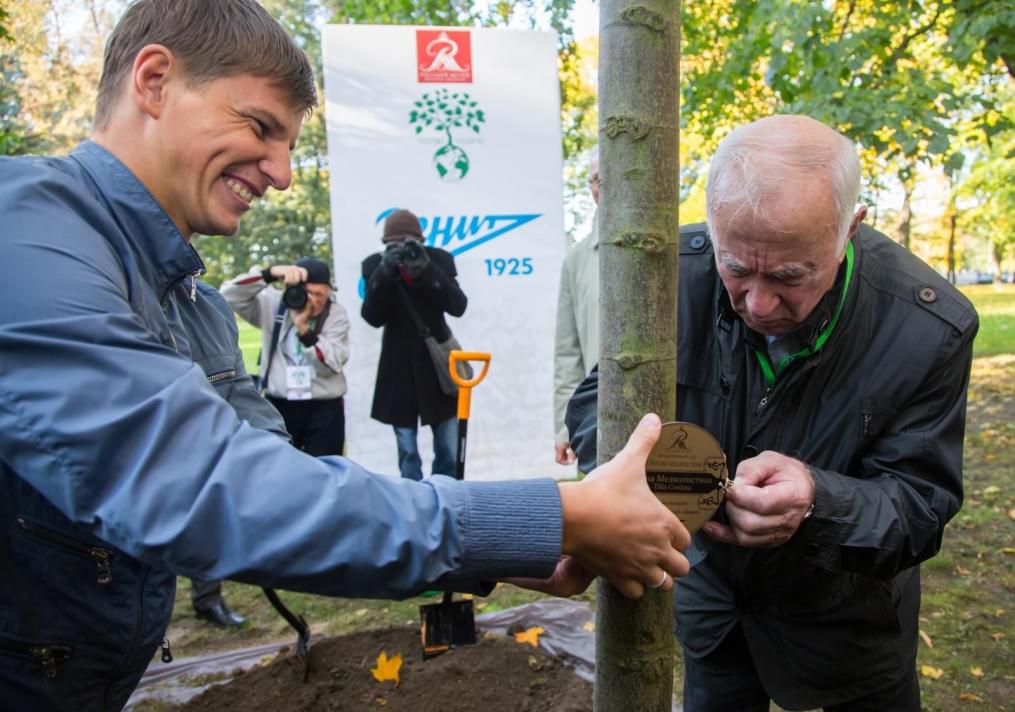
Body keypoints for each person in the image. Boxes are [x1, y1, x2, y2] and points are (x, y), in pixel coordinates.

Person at [0, 2, 691, 709]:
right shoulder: (23, 228)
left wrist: (506, 548)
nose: (282, 172)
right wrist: (549, 518)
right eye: (261, 128)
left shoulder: (191, 302)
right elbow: (208, 485)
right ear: (153, 80)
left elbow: (286, 483)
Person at [567, 115, 978, 711]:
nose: (759, 302)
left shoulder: (928, 328)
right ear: (712, 223)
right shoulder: (668, 277)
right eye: (736, 268)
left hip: (849, 630)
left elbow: (919, 505)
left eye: (790, 275)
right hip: (712, 609)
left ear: (849, 228)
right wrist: (636, 478)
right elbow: (596, 404)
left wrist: (818, 502)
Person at [181, 278, 293, 629]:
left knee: (205, 522)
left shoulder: (206, 302)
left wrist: (282, 464)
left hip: (205, 452)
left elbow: (239, 390)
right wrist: (268, 272)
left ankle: (207, 597)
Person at [361, 208, 465, 481]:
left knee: (447, 447)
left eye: (410, 244)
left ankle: (445, 495)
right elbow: (372, 317)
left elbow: (458, 306)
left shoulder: (439, 261)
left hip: (437, 367)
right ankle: (413, 501)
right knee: (407, 451)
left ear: (421, 241)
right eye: (395, 246)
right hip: (398, 369)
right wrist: (384, 273)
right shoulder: (374, 265)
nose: (404, 251)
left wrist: (426, 271)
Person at [221, 256, 350, 456]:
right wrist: (270, 274)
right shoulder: (273, 303)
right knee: (281, 470)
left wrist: (304, 329)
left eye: (321, 295)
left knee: (327, 472)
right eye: (309, 293)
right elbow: (229, 294)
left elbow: (331, 363)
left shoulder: (335, 314)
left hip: (324, 407)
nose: (315, 301)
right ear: (294, 289)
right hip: (280, 404)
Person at [553, 148, 600, 466]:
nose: (605, 185)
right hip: (598, 421)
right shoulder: (577, 259)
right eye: (598, 178)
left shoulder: (678, 249)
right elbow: (568, 354)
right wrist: (564, 427)